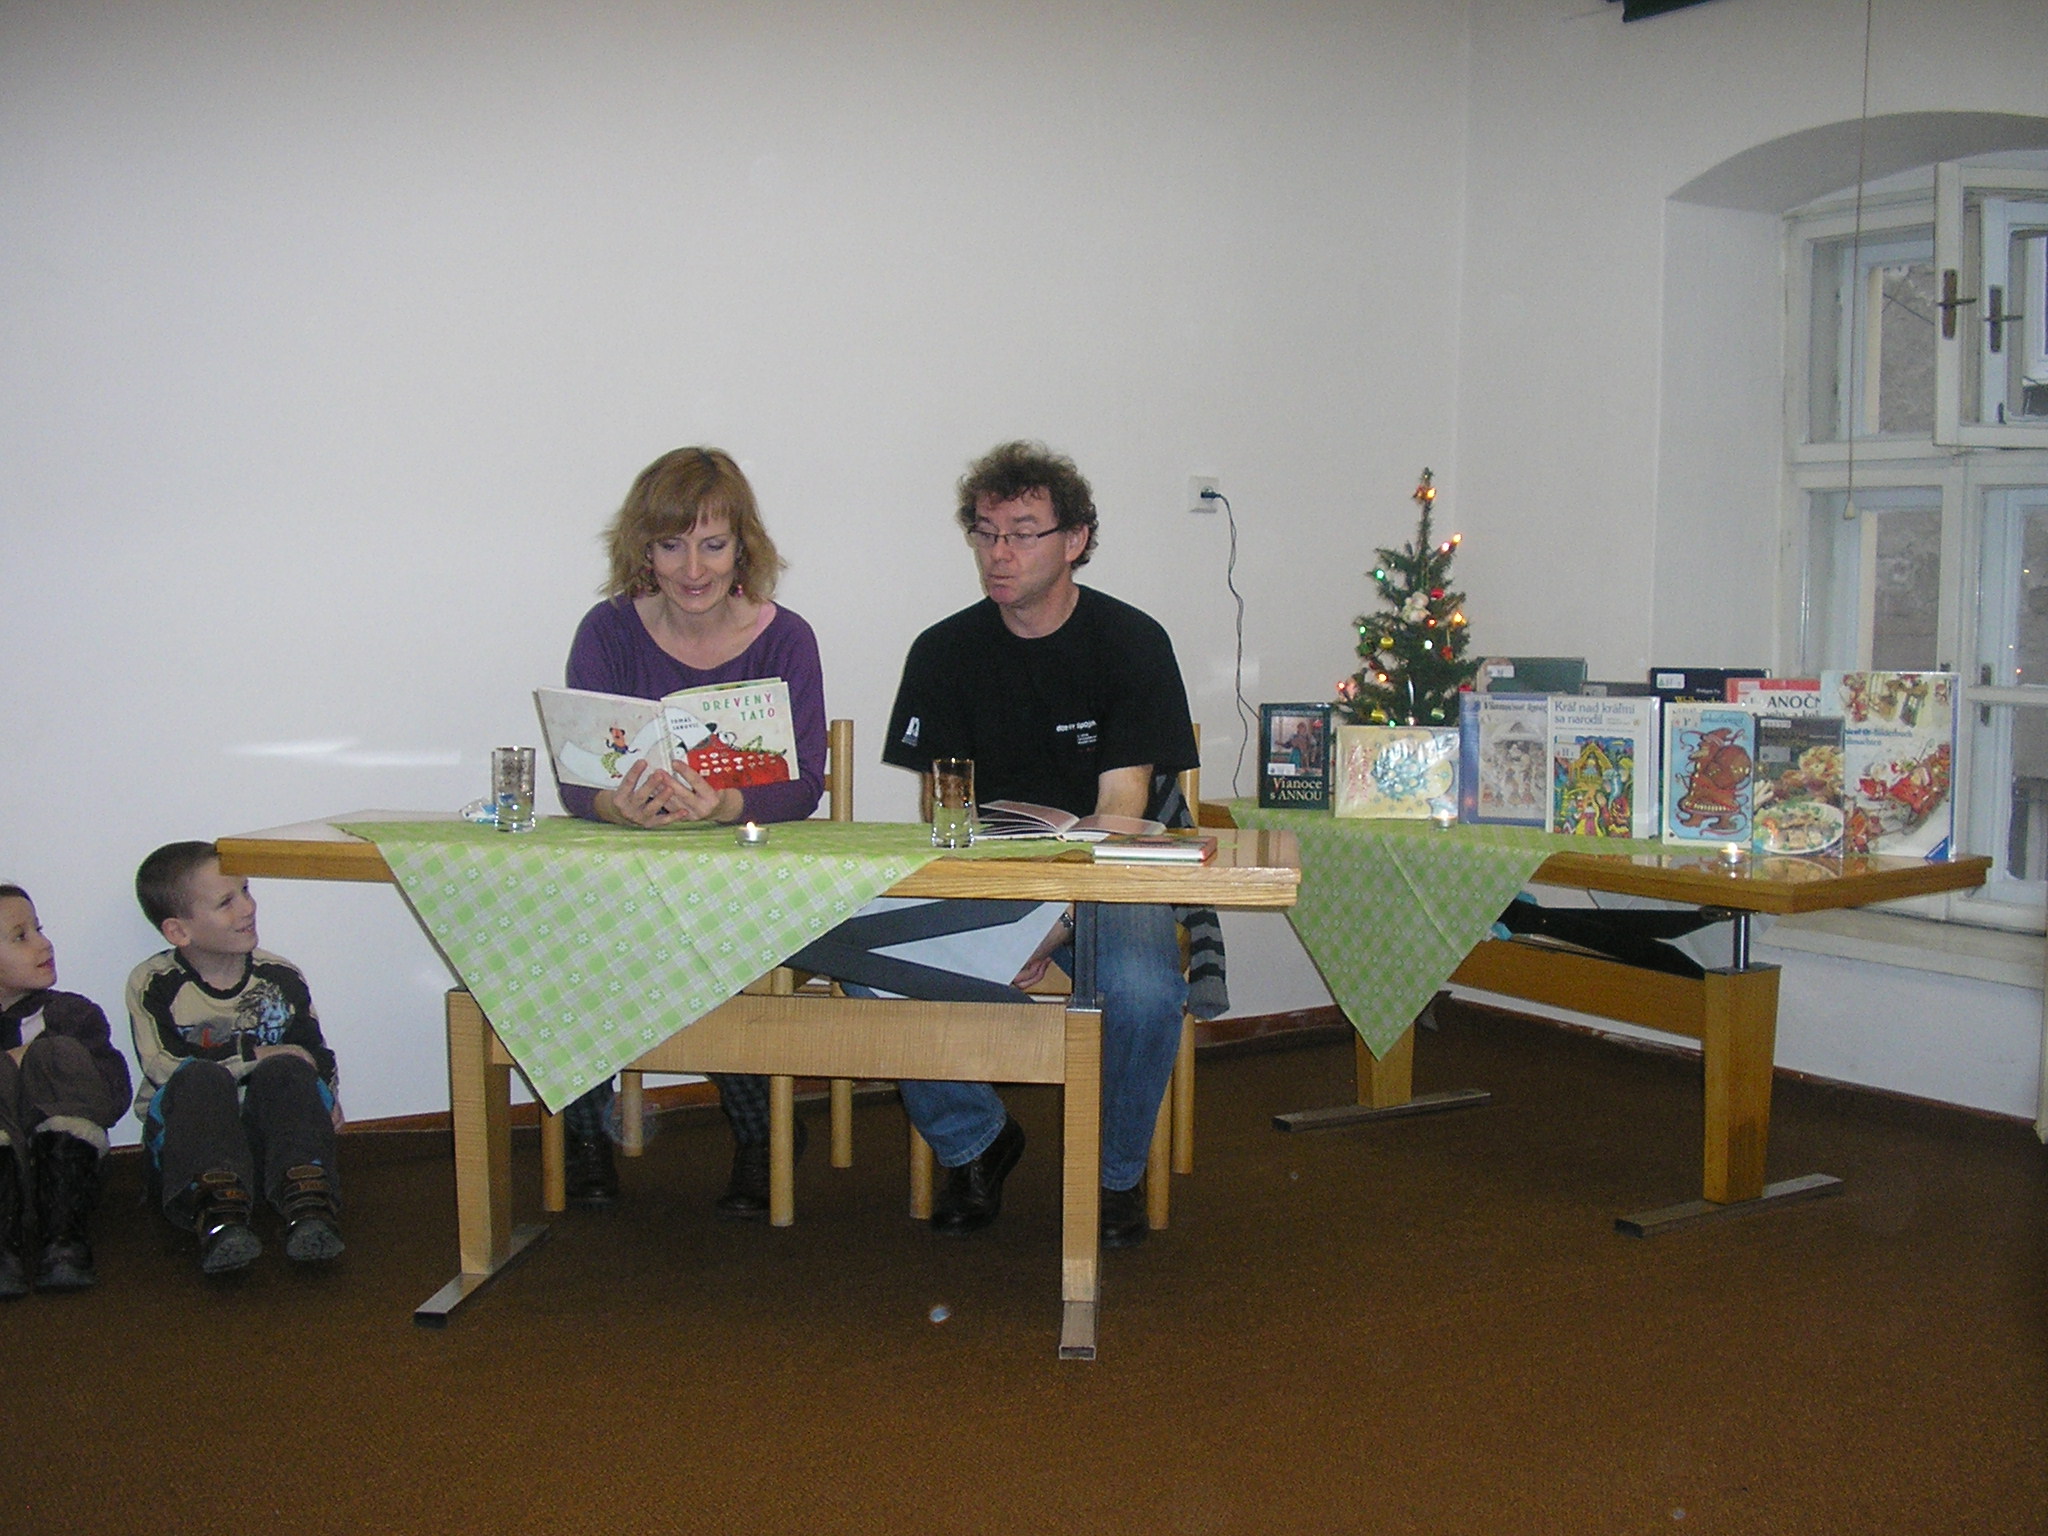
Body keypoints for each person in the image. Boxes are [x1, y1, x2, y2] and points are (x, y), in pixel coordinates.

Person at [877, 440, 1198, 1248]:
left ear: (1075, 540)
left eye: (1022, 533)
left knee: (1142, 988)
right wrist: (997, 914)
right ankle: (977, 1141)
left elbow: (1120, 810)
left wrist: (1048, 925)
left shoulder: (1130, 641)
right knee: (873, 961)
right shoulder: (943, 651)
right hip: (989, 874)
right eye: (986, 533)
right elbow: (944, 815)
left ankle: (1114, 1174)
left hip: (1104, 878)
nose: (999, 553)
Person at [555, 446, 828, 1217]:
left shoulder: (786, 637)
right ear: (643, 549)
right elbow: (579, 776)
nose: (694, 568)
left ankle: (761, 1131)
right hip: (631, 864)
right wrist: (617, 808)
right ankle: (585, 1133)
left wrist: (726, 803)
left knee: (704, 937)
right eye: (671, 545)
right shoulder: (608, 630)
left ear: (743, 545)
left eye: (713, 544)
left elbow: (804, 784)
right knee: (579, 929)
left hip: (742, 868)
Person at [128, 842, 344, 1274]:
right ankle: (218, 1220)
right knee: (199, 1077)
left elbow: (312, 1051)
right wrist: (255, 1054)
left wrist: (327, 1095)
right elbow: (163, 1064)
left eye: (245, 890)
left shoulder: (280, 975)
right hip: (190, 1146)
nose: (248, 907)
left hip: (270, 1140)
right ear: (179, 931)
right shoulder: (154, 982)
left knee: (287, 1069)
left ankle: (308, 1206)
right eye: (226, 902)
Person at [0, 884, 132, 1296]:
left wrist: (47, 1058)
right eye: (21, 937)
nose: (44, 944)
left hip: (64, 1170)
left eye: (39, 929)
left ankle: (63, 1243)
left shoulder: (72, 1013)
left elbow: (112, 1097)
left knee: (55, 1052)